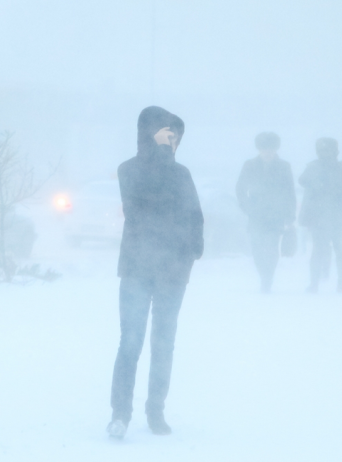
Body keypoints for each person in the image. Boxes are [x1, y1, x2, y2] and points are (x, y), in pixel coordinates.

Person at [108, 106, 204, 440]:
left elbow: (194, 218)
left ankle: (155, 411)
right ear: (150, 135)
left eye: (175, 136)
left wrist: (190, 256)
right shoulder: (129, 170)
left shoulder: (182, 173)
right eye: (166, 135)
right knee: (130, 342)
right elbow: (141, 209)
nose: (172, 141)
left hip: (173, 272)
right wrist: (161, 154)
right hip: (136, 267)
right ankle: (120, 414)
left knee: (164, 343)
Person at [235, 132, 297, 293]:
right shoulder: (249, 165)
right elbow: (240, 188)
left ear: (276, 149)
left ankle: (267, 279)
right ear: (259, 149)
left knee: (271, 246)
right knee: (256, 248)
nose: (267, 152)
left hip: (276, 214)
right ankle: (264, 275)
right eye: (264, 149)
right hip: (255, 214)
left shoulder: (284, 166)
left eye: (271, 149)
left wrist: (290, 216)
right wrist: (246, 207)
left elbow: (290, 192)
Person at [298, 138, 342, 293]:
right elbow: (302, 181)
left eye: (327, 150)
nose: (324, 154)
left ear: (334, 151)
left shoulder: (340, 168)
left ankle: (329, 283)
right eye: (322, 151)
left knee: (330, 249)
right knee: (330, 249)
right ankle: (322, 283)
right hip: (323, 215)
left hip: (331, 215)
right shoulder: (321, 167)